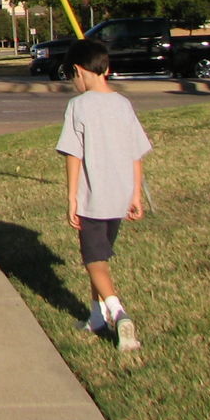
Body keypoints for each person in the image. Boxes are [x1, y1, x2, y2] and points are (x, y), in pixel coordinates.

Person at [56, 38, 152, 352]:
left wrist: (72, 197)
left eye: (73, 76)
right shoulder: (123, 104)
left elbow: (73, 155)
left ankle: (118, 313)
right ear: (106, 69)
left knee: (94, 260)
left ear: (78, 71)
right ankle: (95, 316)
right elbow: (136, 153)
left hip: (92, 199)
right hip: (121, 196)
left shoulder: (78, 106)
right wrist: (135, 195)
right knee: (100, 257)